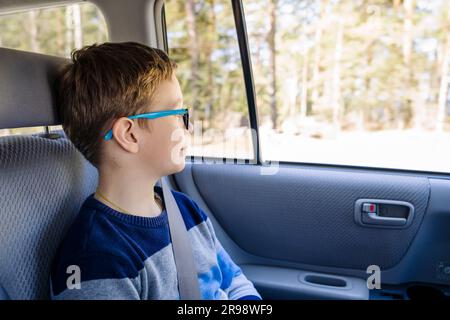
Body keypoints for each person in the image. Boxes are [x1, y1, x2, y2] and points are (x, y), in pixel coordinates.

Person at [50, 42, 261, 300]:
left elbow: (234, 282)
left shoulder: (184, 210)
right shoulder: (97, 261)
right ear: (129, 134)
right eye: (178, 114)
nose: (189, 127)